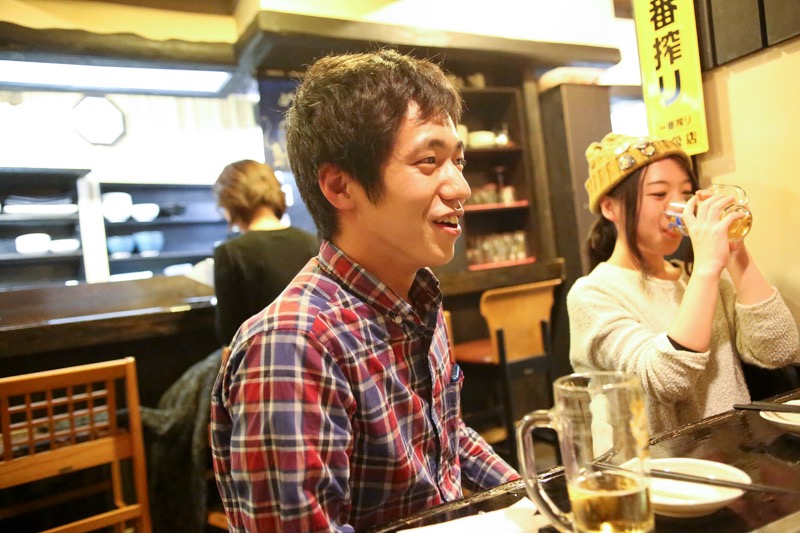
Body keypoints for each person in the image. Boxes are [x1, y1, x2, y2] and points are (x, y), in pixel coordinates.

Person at [210, 49, 519, 532]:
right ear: (341, 187)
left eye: (458, 161)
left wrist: (530, 500)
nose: (460, 187)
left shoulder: (416, 300)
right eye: (429, 160)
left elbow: (447, 439)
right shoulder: (293, 345)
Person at [567, 132, 799, 435]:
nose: (678, 206)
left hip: (732, 450)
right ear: (610, 208)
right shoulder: (592, 294)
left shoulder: (699, 278)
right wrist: (706, 268)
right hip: (652, 460)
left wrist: (735, 251)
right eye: (659, 194)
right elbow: (666, 381)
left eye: (686, 192)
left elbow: (778, 350)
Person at [212, 159, 319, 346]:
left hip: (260, 354)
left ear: (230, 201)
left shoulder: (230, 252)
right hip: (314, 348)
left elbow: (229, 333)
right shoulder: (313, 242)